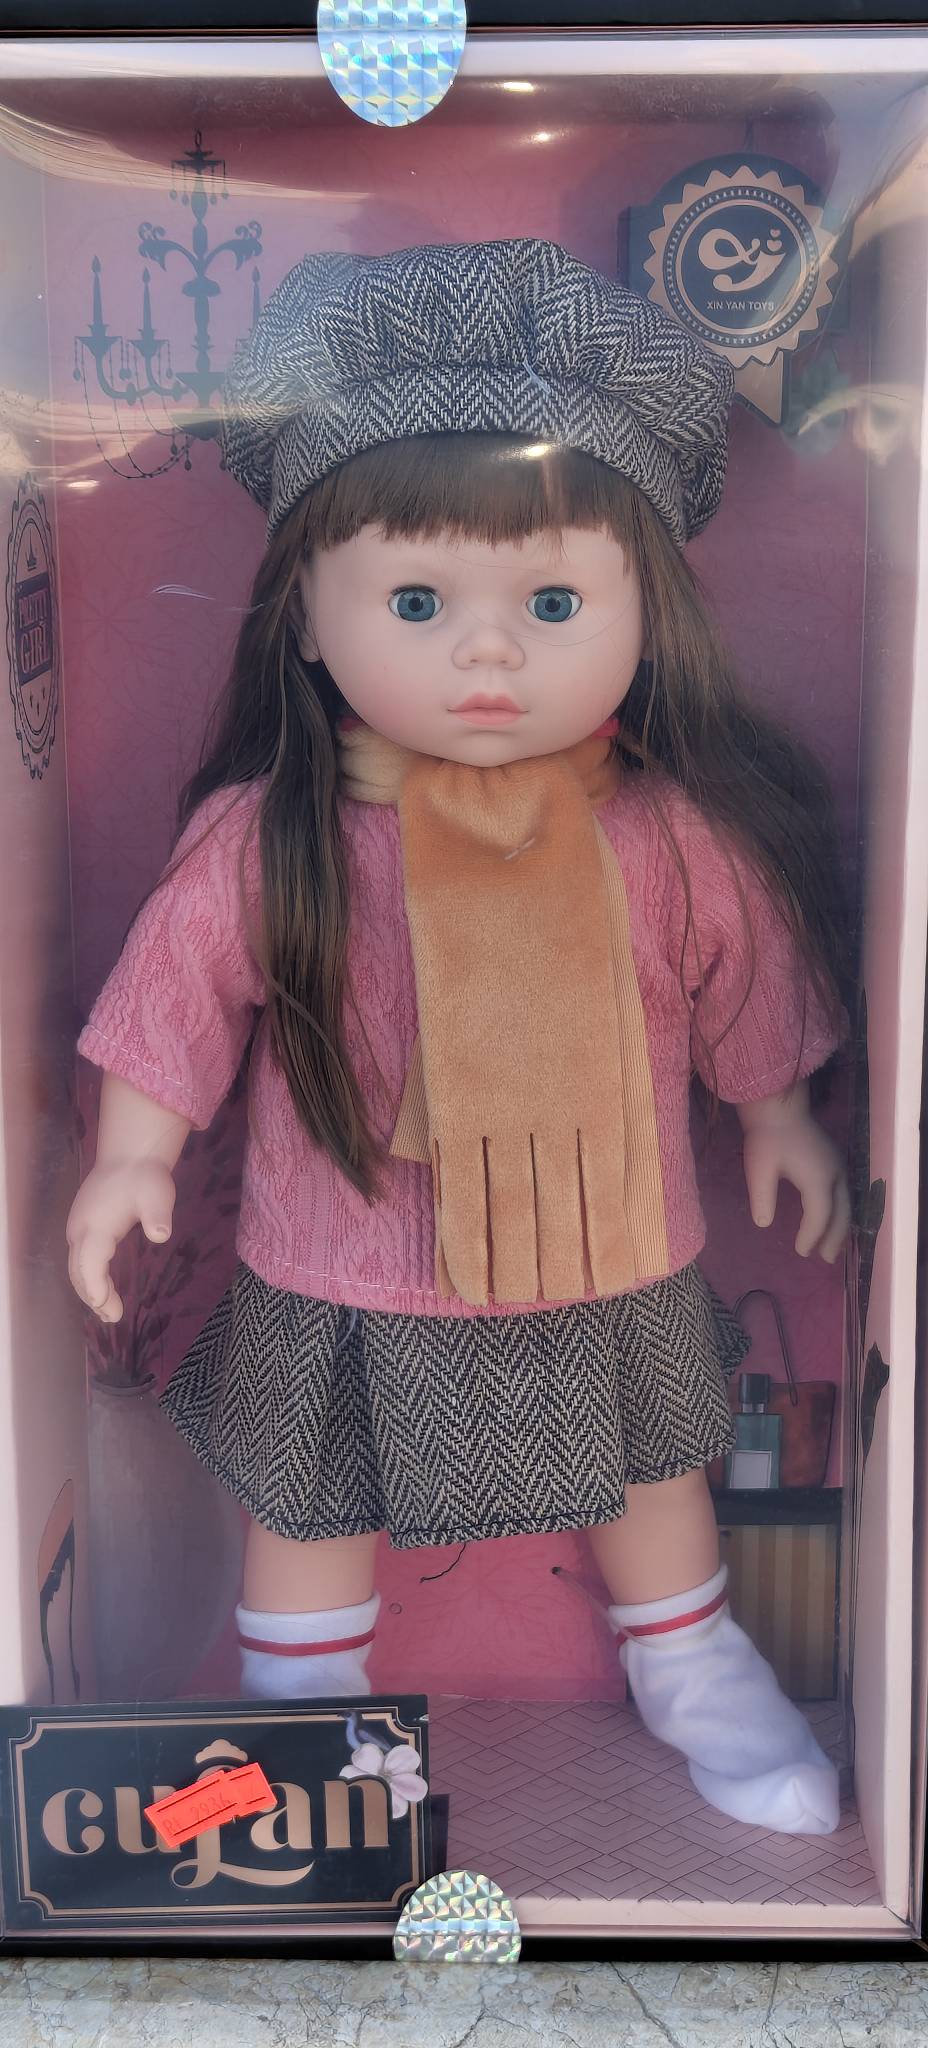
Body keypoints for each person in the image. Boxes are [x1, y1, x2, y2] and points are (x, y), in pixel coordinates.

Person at [67, 239, 851, 1836]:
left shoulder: (664, 835)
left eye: (552, 602)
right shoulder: (274, 835)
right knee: (314, 1493)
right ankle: (301, 1714)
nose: (488, 652)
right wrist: (130, 1156)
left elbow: (747, 982)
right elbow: (177, 990)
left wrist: (780, 1119)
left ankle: (690, 1659)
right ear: (307, 618)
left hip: (604, 1242)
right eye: (417, 602)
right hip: (343, 1252)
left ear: (646, 616)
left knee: (651, 1468)